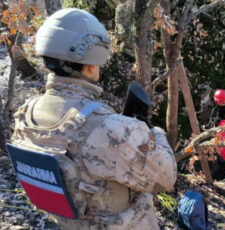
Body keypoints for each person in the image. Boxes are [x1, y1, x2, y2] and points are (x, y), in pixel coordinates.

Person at [10, 8, 176, 230]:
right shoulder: (111, 129)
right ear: (91, 63)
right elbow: (166, 178)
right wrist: (154, 132)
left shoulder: (25, 114)